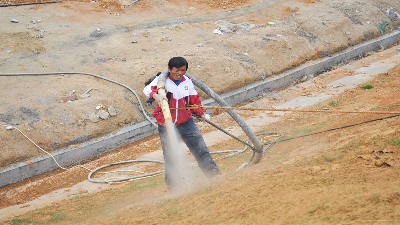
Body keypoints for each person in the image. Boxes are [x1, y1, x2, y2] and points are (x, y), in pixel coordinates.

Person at [143, 56, 220, 190]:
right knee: (171, 158)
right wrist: (155, 96)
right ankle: (174, 188)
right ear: (169, 69)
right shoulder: (162, 80)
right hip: (167, 126)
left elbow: (193, 100)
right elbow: (147, 90)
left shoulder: (187, 82)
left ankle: (214, 176)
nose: (179, 73)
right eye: (176, 70)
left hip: (186, 123)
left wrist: (200, 113)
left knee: (201, 150)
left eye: (182, 70)